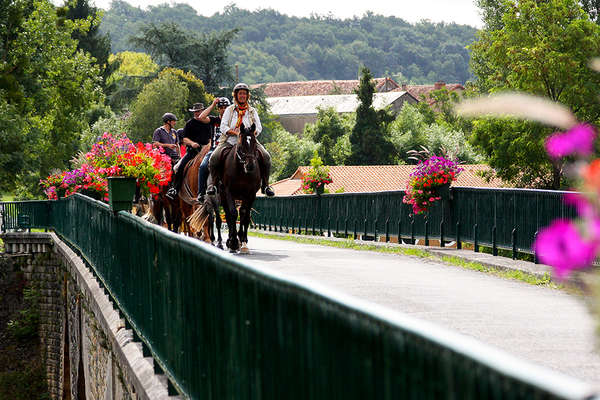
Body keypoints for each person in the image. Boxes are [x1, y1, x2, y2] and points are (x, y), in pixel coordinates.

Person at [206, 83, 274, 197]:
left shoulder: (252, 111)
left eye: (244, 94)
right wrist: (235, 132)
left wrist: (252, 133)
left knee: (266, 157)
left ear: (247, 96)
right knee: (213, 158)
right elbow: (223, 126)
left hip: (248, 141)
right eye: (240, 93)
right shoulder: (229, 110)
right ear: (236, 95)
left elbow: (259, 127)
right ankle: (214, 184)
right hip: (230, 140)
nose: (242, 96)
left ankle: (266, 185)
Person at [166, 103, 212, 200]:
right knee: (178, 167)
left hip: (207, 149)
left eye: (199, 111)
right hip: (193, 150)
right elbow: (184, 139)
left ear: (203, 111)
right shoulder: (190, 123)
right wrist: (192, 143)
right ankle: (175, 188)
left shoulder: (208, 122)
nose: (197, 113)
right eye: (195, 112)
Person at [196, 97, 230, 202]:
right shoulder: (214, 120)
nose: (223, 110)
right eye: (221, 107)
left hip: (229, 148)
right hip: (214, 149)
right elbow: (201, 117)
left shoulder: (233, 120)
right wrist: (212, 104)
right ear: (218, 109)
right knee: (203, 166)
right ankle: (201, 193)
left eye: (225, 107)